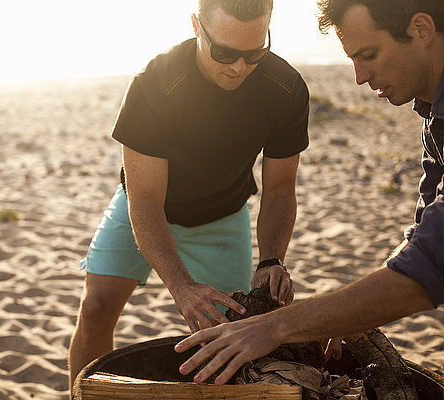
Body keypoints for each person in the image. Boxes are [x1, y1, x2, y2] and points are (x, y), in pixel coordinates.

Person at [175, 0, 443, 386]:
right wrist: (349, 312)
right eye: (353, 59)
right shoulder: (434, 116)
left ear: (420, 30)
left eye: (368, 55)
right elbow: (425, 231)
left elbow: (432, 263)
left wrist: (275, 327)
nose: (359, 77)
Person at [69, 0, 311, 386]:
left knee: (229, 330)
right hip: (146, 208)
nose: (239, 67)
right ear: (197, 26)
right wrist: (180, 286)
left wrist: (271, 260)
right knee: (96, 308)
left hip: (225, 215)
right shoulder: (155, 83)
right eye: (225, 52)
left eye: (254, 54)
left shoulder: (285, 87)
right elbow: (144, 199)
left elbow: (280, 190)